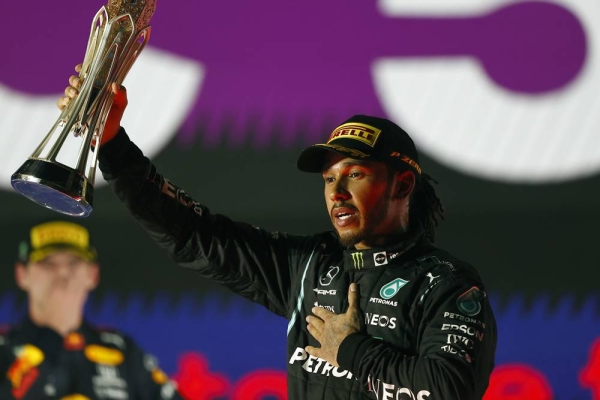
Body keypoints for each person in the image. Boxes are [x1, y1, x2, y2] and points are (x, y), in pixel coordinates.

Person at [57, 71, 498, 399]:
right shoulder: (309, 265)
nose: (337, 193)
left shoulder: (446, 284)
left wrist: (351, 350)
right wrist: (112, 142)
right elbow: (192, 235)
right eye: (329, 179)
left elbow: (451, 390)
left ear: (402, 184)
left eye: (356, 174)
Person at [0, 220, 183, 400]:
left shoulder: (121, 351)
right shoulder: (4, 349)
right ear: (22, 274)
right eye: (47, 263)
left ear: (92, 275)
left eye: (74, 263)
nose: (63, 273)